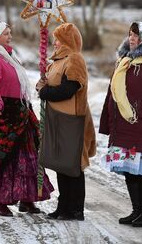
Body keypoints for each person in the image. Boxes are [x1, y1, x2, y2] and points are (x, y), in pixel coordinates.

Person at [99, 21, 142, 227]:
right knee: (131, 169)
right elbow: (113, 93)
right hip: (126, 124)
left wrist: (139, 112)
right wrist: (111, 119)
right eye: (130, 34)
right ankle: (137, 211)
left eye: (137, 35)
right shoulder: (125, 61)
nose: (132, 38)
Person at [0, 21, 53, 216]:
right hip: (6, 113)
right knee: (5, 158)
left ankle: (27, 199)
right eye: (6, 33)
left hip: (21, 111)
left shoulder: (8, 56)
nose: (10, 36)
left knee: (27, 157)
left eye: (10, 33)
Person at [36, 22, 96, 221]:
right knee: (62, 165)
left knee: (72, 167)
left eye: (58, 40)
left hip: (72, 120)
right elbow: (52, 86)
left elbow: (68, 89)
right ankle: (63, 207)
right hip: (58, 119)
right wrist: (42, 85)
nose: (55, 43)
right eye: (54, 40)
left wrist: (45, 92)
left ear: (68, 41)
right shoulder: (58, 62)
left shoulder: (74, 59)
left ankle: (75, 209)